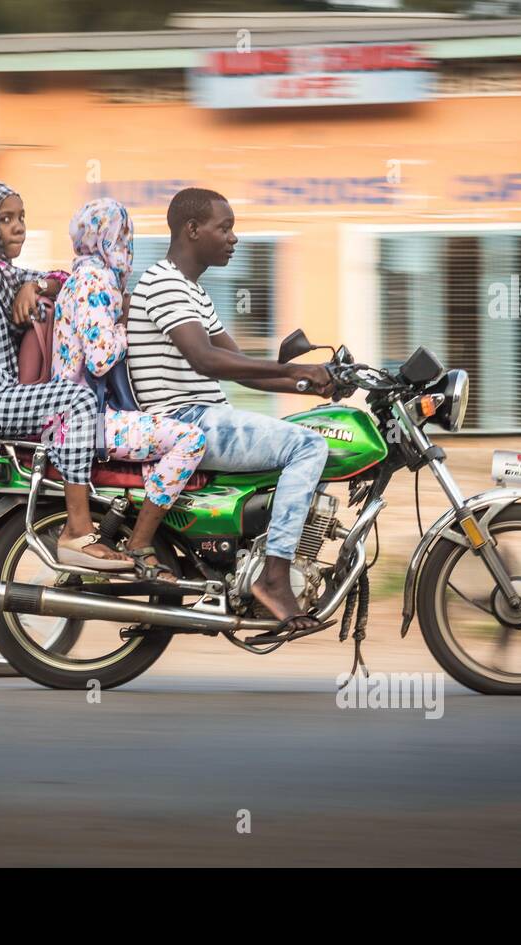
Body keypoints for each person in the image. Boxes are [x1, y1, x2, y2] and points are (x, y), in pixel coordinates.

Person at [125, 187, 336, 639]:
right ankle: (275, 577)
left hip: (205, 414)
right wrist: (298, 369)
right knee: (308, 445)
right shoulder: (164, 283)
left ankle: (257, 559)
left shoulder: (192, 292)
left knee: (312, 434)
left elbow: (243, 370)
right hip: (186, 419)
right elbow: (206, 360)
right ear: (192, 229)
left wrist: (312, 383)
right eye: (225, 228)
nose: (234, 238)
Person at [0, 179, 133, 571]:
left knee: (68, 399)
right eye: (5, 219)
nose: (18, 226)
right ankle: (77, 531)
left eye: (21, 217)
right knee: (76, 399)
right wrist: (25, 395)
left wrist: (35, 285)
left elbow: (65, 278)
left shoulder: (2, 275)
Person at [52, 198, 206, 582]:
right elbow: (102, 356)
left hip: (96, 413)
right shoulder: (93, 281)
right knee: (189, 440)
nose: (126, 245)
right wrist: (131, 322)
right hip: (89, 419)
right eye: (122, 236)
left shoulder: (90, 276)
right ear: (104, 238)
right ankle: (139, 543)